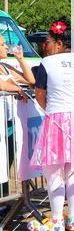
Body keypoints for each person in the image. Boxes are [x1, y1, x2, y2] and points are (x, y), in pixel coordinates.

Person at [27, 18, 74, 231]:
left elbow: (40, 93)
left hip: (57, 117)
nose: (44, 46)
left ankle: (56, 218)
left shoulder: (47, 63)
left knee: (53, 171)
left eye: (47, 42)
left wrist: (49, 109)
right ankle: (73, 218)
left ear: (58, 43)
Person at [0, 36, 35, 198]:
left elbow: (30, 80)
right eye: (2, 44)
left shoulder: (5, 66)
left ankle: (4, 199)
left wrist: (21, 59)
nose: (6, 47)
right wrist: (17, 89)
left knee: (6, 162)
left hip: (9, 120)